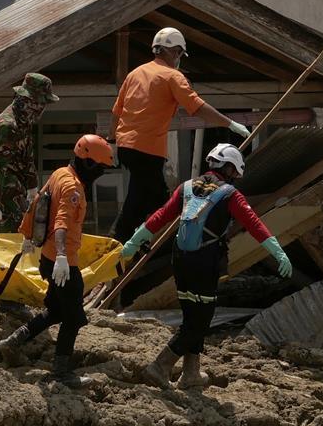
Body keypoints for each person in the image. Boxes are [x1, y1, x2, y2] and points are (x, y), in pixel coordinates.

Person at [121, 144, 292, 389]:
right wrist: (277, 251)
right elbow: (254, 224)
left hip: (180, 260)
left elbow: (161, 216)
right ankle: (160, 366)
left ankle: (191, 373)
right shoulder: (230, 194)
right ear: (231, 169)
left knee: (192, 315)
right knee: (199, 321)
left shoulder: (186, 187)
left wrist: (134, 241)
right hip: (205, 263)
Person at [108, 27, 252, 244]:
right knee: (160, 201)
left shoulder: (135, 73)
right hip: (147, 149)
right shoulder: (172, 77)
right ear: (173, 51)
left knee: (142, 196)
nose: (178, 59)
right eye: (178, 54)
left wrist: (112, 141)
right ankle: (126, 239)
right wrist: (230, 123)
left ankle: (131, 239)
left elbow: (116, 112)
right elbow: (197, 107)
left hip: (126, 147)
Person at [0, 134, 114, 387]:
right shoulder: (73, 189)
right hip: (63, 264)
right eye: (101, 169)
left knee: (56, 311)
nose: (101, 174)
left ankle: (13, 341)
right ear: (89, 163)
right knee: (73, 318)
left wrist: (28, 234)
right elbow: (61, 224)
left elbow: (38, 202)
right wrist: (62, 256)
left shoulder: (60, 172)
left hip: (49, 260)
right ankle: (61, 372)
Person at [0, 73, 58, 231]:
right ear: (29, 102)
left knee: (27, 229)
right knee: (13, 232)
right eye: (40, 104)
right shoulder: (7, 125)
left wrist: (33, 188)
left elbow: (27, 155)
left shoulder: (24, 120)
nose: (42, 109)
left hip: (18, 186)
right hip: (3, 187)